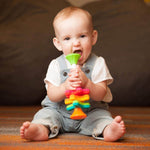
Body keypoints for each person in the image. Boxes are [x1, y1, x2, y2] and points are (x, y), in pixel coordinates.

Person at [20, 6, 126, 142]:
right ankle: (40, 129)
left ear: (93, 37)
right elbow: (52, 95)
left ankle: (108, 130)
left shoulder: (98, 63)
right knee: (46, 115)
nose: (76, 43)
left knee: (101, 117)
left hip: (89, 113)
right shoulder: (56, 65)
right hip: (59, 112)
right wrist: (64, 87)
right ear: (58, 43)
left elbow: (100, 93)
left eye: (82, 36)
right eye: (67, 38)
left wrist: (87, 83)